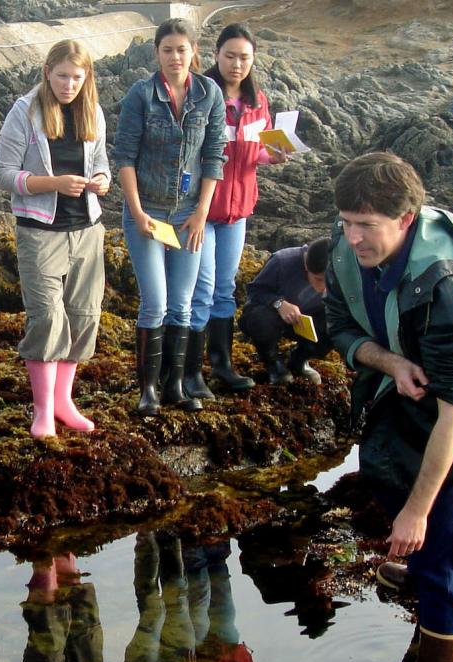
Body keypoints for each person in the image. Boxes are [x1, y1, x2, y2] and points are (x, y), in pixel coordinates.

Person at [324, 152, 453, 662]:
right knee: (387, 482)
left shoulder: (452, 291)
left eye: (367, 226)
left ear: (406, 221)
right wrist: (392, 363)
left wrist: (417, 513)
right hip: (397, 390)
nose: (353, 237)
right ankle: (419, 567)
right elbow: (339, 326)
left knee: (444, 561)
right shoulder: (346, 250)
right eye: (346, 222)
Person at [0, 40, 111, 439]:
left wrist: (103, 182)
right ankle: (43, 411)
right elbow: (5, 175)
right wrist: (54, 184)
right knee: (46, 318)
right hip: (40, 232)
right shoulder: (23, 113)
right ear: (47, 71)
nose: (69, 84)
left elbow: (102, 164)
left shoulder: (92, 111)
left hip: (87, 230)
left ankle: (65, 402)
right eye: (62, 75)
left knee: (83, 316)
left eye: (77, 77)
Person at [113, 17, 227, 416]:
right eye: (167, 49)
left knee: (182, 304)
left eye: (182, 49)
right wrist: (137, 211)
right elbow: (124, 157)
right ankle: (148, 390)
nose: (175, 57)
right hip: (147, 211)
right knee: (154, 303)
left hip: (188, 214)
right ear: (156, 53)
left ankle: (175, 385)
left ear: (194, 51)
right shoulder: (141, 95)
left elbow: (214, 155)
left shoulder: (209, 93)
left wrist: (201, 213)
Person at [186, 23, 288, 398]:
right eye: (230, 56)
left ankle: (222, 364)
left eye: (244, 57)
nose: (237, 64)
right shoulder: (199, 94)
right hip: (201, 209)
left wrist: (273, 155)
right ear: (216, 55)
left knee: (225, 289)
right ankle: (191, 371)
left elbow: (256, 150)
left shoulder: (257, 100)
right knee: (203, 286)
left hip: (238, 210)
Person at [239, 238, 332, 385]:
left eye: (329, 281)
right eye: (318, 279)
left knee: (337, 325)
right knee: (261, 321)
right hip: (271, 314)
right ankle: (273, 364)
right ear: (306, 266)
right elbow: (254, 291)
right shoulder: (282, 261)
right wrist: (279, 303)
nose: (324, 288)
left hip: (307, 319)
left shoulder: (341, 266)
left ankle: (300, 360)